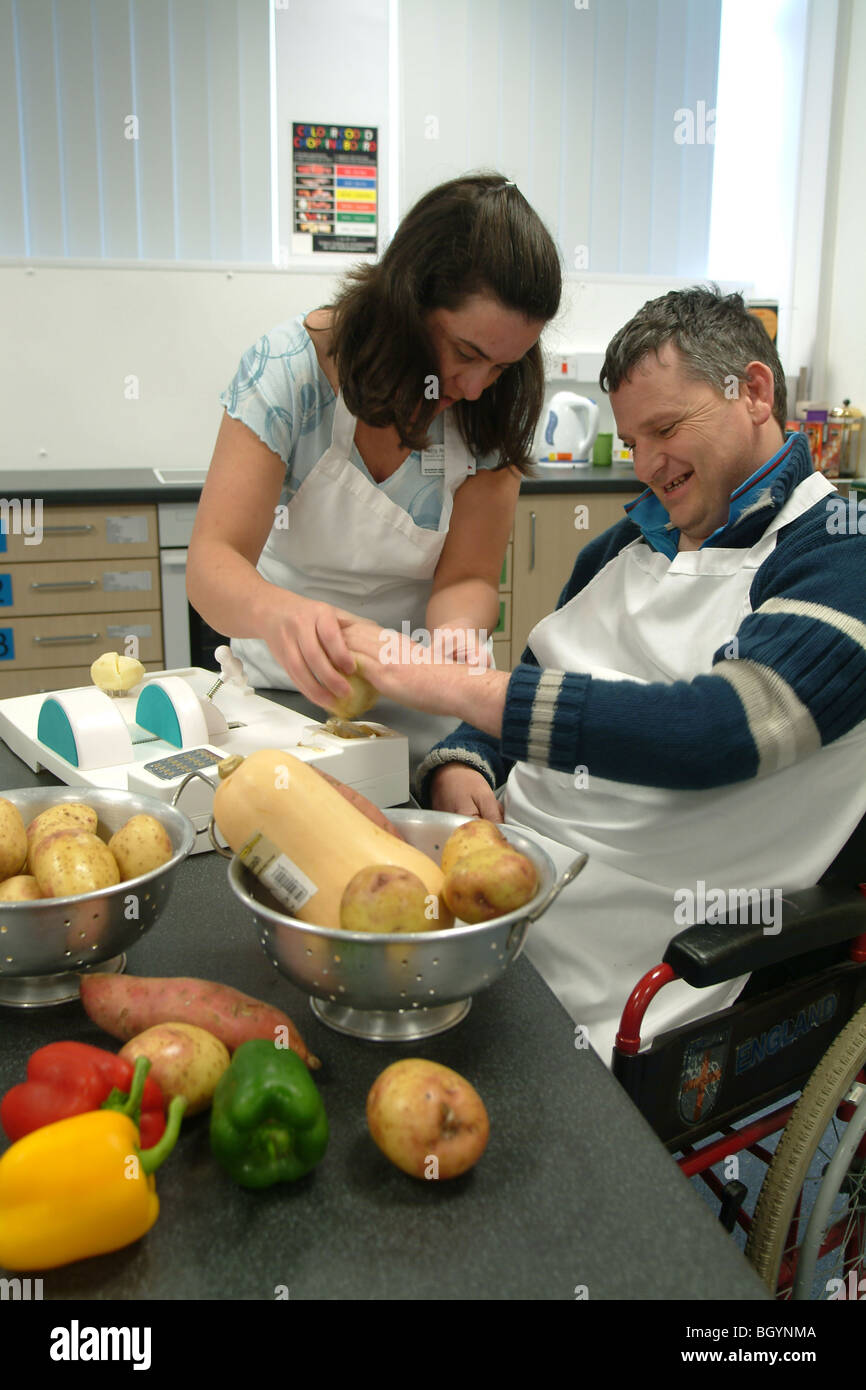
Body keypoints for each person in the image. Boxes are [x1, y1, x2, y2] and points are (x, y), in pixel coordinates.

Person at [339, 286, 866, 1066]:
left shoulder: (838, 555)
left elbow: (717, 732)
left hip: (641, 945)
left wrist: (444, 682)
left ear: (753, 392)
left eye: (665, 429)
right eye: (632, 440)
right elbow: (538, 684)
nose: (648, 465)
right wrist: (462, 761)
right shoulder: (626, 543)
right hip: (499, 879)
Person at [187, 173, 561, 767]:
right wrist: (282, 615)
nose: (473, 387)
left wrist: (458, 638)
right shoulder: (288, 374)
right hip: (278, 700)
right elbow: (212, 563)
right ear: (406, 303)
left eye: (502, 365)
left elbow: (468, 576)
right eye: (465, 354)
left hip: (420, 704)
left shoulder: (491, 404)